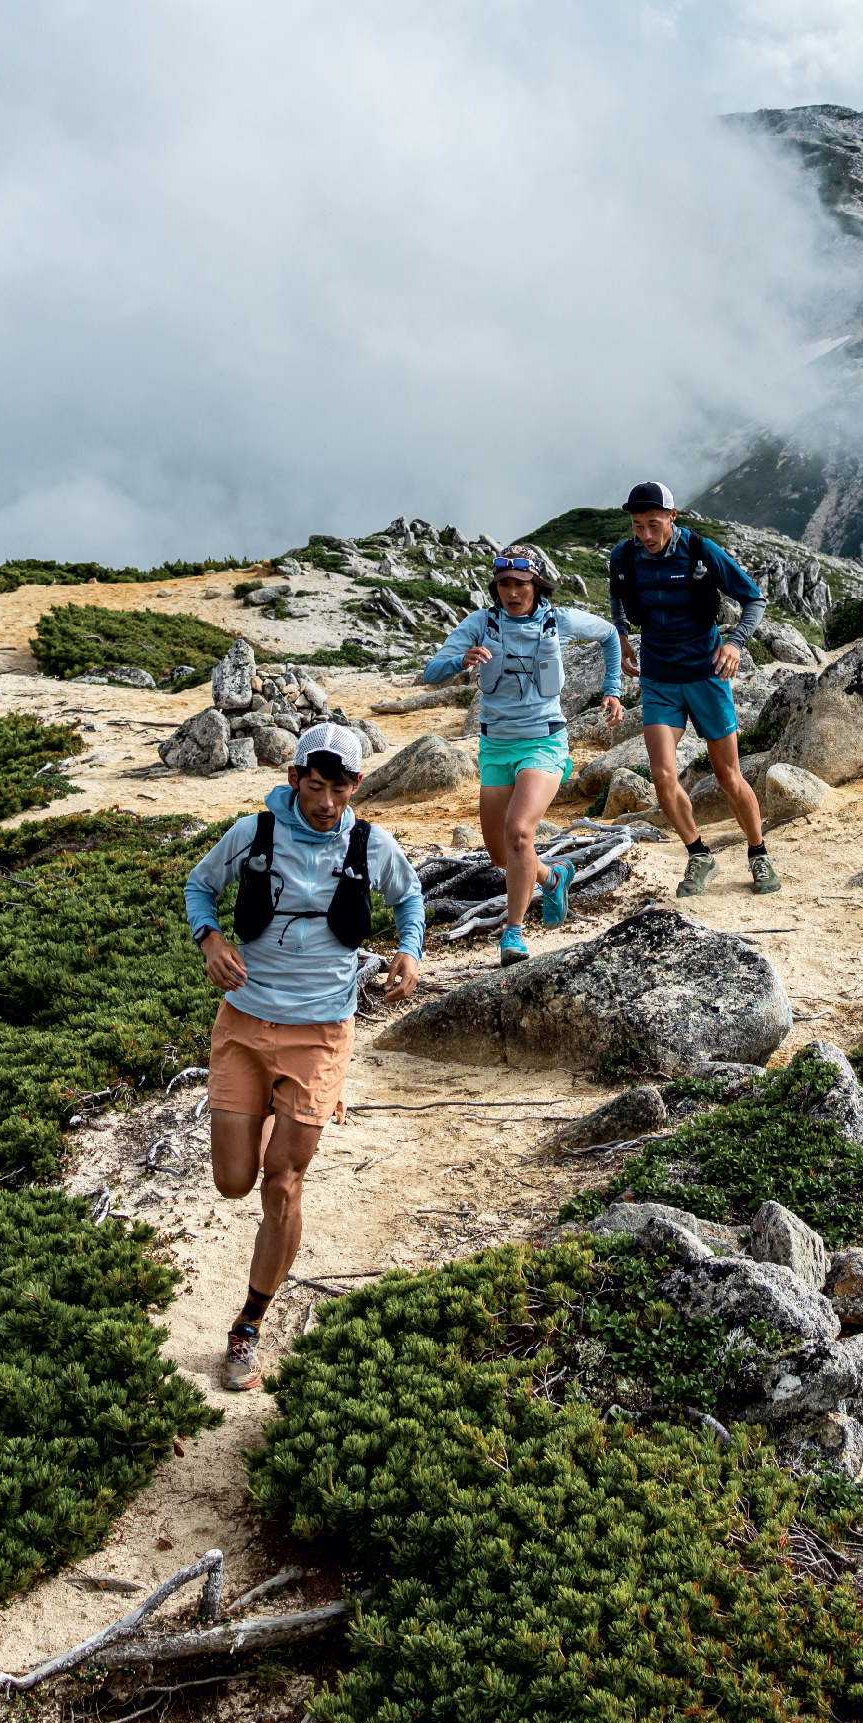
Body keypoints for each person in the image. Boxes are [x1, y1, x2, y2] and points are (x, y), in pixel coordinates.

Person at [184, 723, 423, 1391]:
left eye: (339, 789)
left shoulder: (371, 843)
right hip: (243, 1024)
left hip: (321, 1034)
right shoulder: (251, 835)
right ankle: (270, 1112)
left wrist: (410, 952)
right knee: (234, 1181)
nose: (325, 803)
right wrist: (209, 940)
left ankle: (248, 1327)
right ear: (293, 780)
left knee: (281, 1181)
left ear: (357, 786)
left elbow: (410, 899)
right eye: (314, 788)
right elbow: (198, 888)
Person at [420, 543, 624, 965]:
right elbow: (431, 671)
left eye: (521, 584)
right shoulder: (481, 623)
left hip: (544, 741)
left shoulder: (559, 620)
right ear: (496, 587)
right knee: (500, 854)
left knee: (518, 833)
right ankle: (553, 877)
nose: (512, 592)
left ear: (536, 584)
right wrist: (462, 658)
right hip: (496, 744)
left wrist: (613, 689)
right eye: (504, 584)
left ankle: (513, 934)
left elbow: (608, 636)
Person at [607, 482, 779, 898]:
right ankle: (699, 855)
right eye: (637, 525)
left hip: (706, 675)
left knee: (728, 775)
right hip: (659, 679)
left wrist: (735, 643)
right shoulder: (624, 556)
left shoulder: (702, 551)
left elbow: (754, 599)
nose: (645, 534)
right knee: (663, 776)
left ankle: (758, 854)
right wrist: (624, 637)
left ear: (672, 516)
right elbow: (617, 597)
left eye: (653, 523)